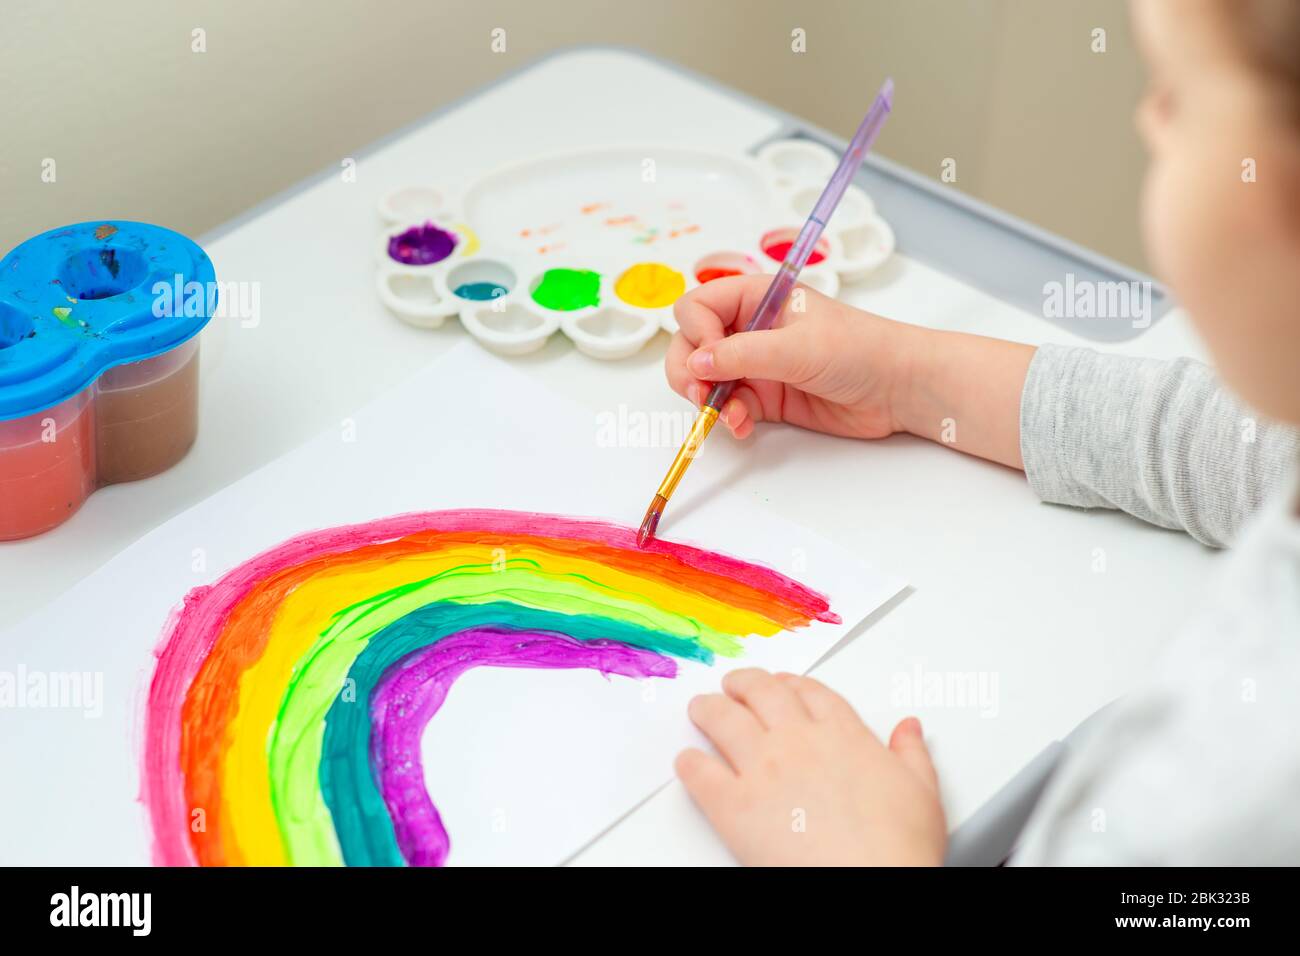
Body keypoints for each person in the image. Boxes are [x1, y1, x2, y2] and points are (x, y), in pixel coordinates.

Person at [666, 0, 1300, 865]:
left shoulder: (1245, 796)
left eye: (1177, 94)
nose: (1146, 119)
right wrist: (904, 377)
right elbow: (1225, 448)